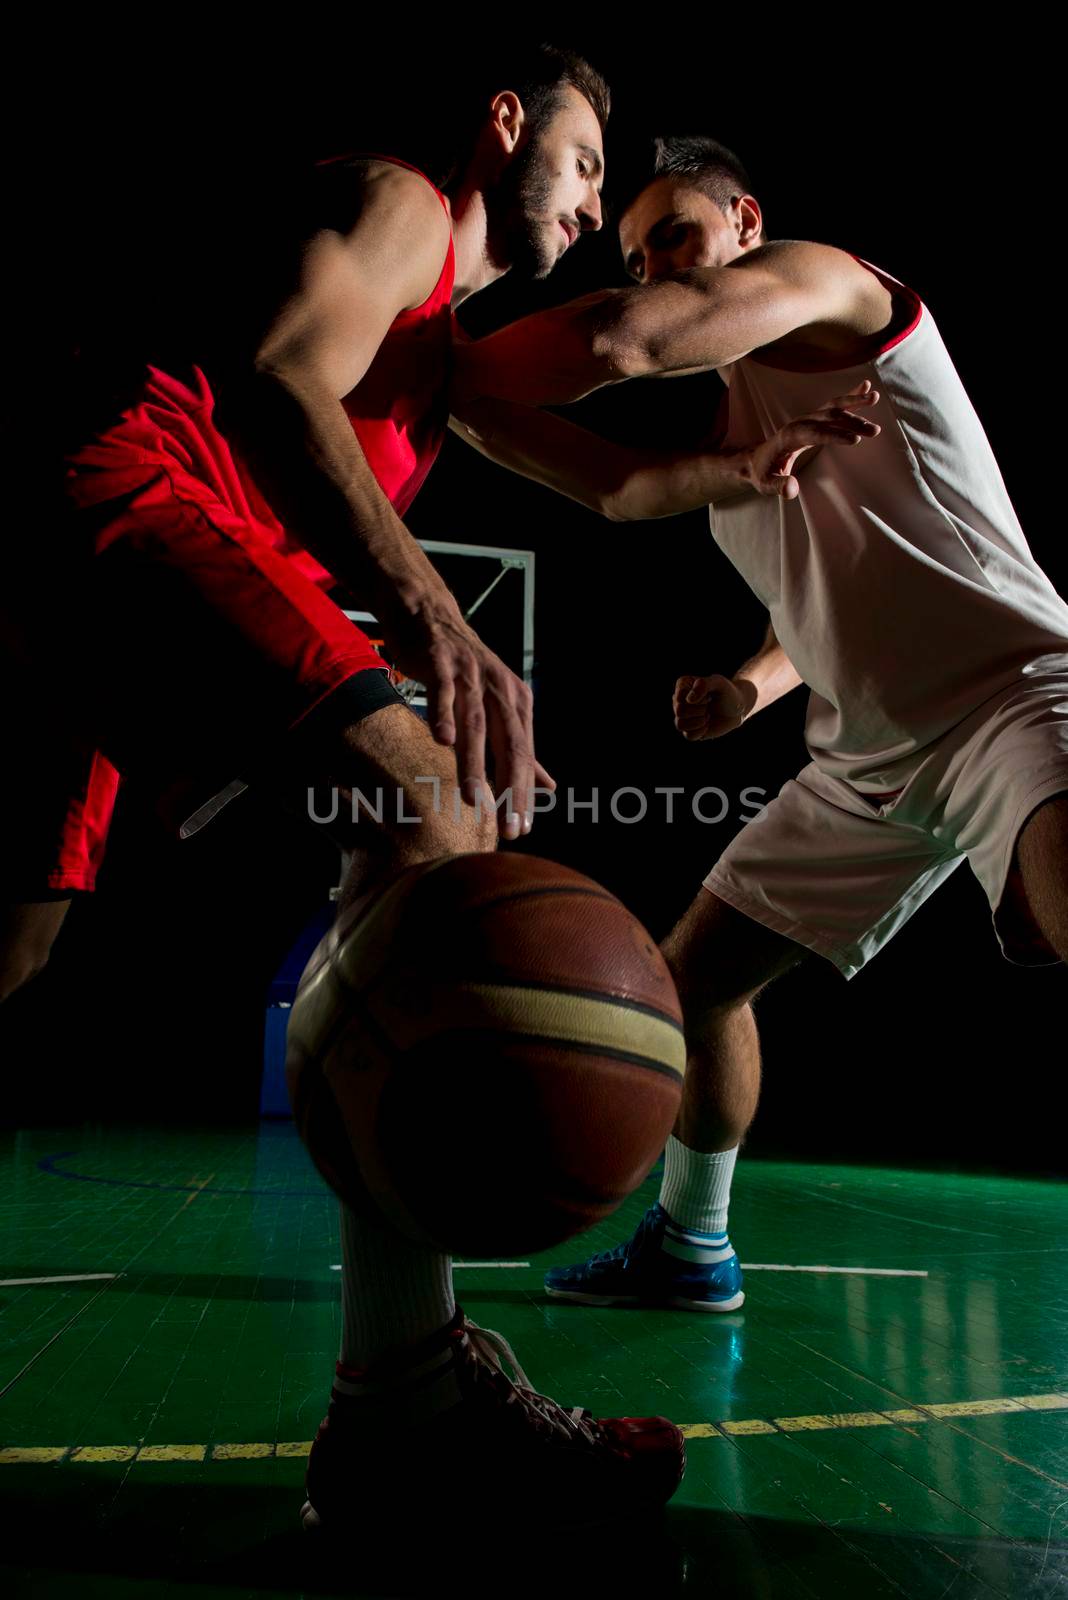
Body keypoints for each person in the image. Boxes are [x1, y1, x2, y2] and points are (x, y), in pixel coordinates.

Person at [0, 51, 698, 1533]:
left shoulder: (442, 361)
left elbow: (624, 485)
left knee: (16, 942)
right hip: (130, 493)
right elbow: (271, 380)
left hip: (92, 565)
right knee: (428, 805)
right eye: (582, 162)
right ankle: (408, 1406)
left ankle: (409, 1402)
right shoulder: (403, 210)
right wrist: (438, 624)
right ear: (505, 123)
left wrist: (764, 457)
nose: (586, 204)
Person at [453, 133, 1068, 1315]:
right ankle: (692, 1247)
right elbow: (628, 497)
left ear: (746, 222)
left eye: (673, 235)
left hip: (1007, 693)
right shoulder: (733, 435)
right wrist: (751, 684)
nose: (650, 269)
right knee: (694, 985)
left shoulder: (834, 289)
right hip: (861, 764)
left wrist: (440, 349)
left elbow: (618, 343)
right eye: (634, 255)